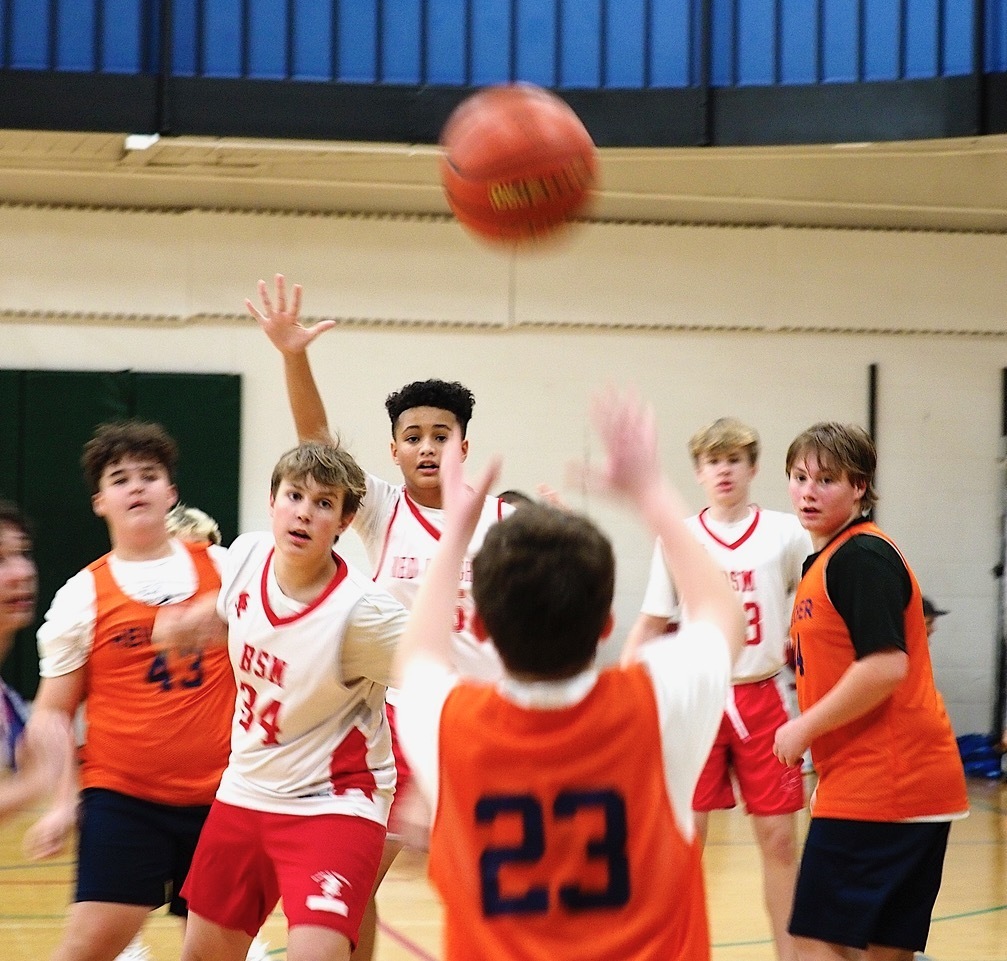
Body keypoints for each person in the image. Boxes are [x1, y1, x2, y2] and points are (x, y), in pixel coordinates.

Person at [394, 387, 745, 960]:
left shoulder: (446, 723)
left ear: (479, 628)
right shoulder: (654, 703)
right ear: (607, 624)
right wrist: (651, 493)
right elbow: (721, 615)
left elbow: (417, 655)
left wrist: (455, 529)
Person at [249, 273, 513, 959]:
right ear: (393, 449)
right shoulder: (385, 509)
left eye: (441, 434)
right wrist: (292, 354)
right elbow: (317, 443)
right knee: (358, 879)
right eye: (413, 435)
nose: (427, 446)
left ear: (464, 445)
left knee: (496, 887)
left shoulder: (504, 522)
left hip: (482, 723)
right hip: (393, 720)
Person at [153, 440, 408, 961]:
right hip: (246, 787)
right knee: (202, 955)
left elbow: (438, 675)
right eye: (294, 496)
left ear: (343, 521)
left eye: (323, 503)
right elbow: (232, 611)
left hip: (333, 801)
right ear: (272, 502)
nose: (304, 513)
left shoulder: (365, 615)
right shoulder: (246, 555)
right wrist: (189, 622)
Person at [25, 420, 237, 961]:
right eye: (120, 479)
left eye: (150, 475)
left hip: (223, 799)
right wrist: (59, 802)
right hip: (123, 800)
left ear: (172, 492)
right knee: (89, 946)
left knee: (217, 953)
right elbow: (53, 713)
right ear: (100, 501)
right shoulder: (82, 596)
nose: (137, 487)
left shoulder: (226, 570)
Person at [774, 422, 969, 961]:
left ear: (859, 485)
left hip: (886, 780)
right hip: (895, 783)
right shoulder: (831, 559)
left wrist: (803, 727)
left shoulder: (861, 557)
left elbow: (885, 667)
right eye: (799, 477)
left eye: (827, 479)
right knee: (883, 951)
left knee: (815, 940)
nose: (808, 491)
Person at [622, 416, 810, 961]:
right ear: (699, 473)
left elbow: (818, 595)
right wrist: (626, 698)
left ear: (753, 468)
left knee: (778, 841)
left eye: (733, 459)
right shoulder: (678, 538)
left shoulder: (786, 533)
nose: (723, 470)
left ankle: (789, 955)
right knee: (686, 842)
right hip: (697, 699)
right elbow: (652, 622)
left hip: (765, 695)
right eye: (712, 461)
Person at [0, 500, 70, 819]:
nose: (22, 573)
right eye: (1, 559)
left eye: (23, 554)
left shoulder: (9, 701)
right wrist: (38, 781)